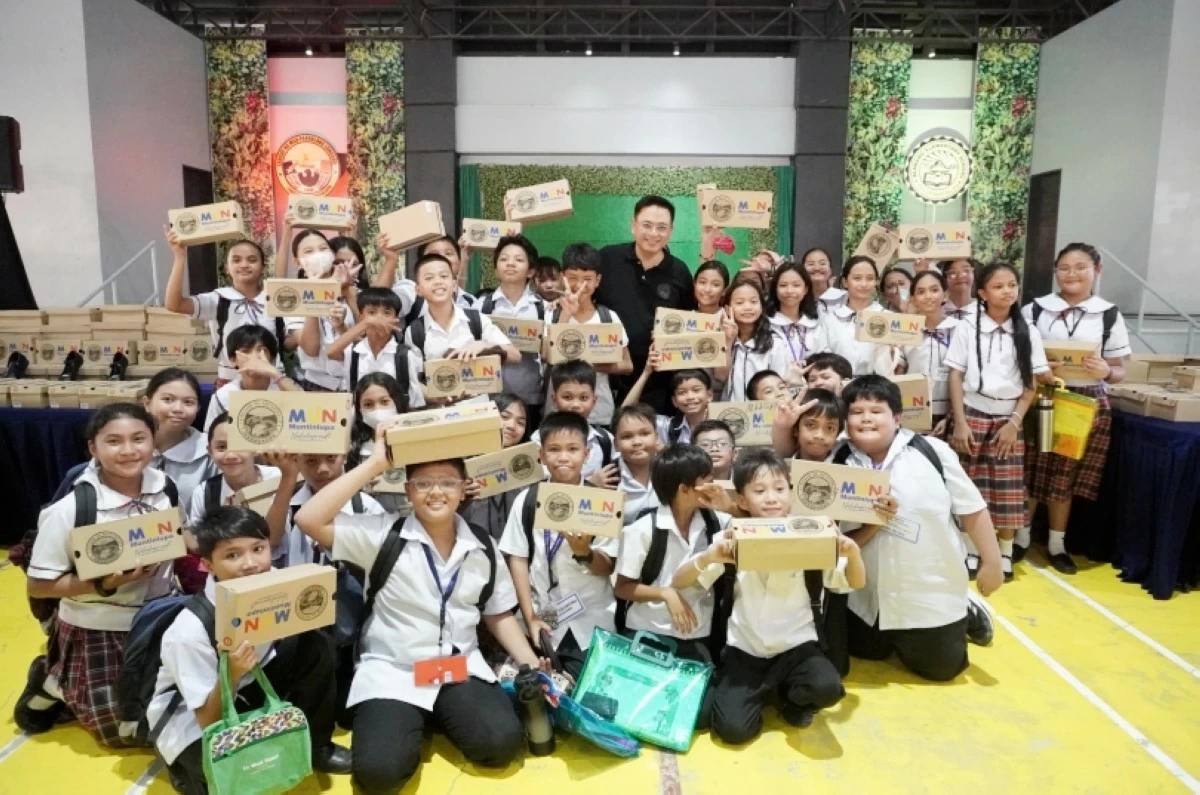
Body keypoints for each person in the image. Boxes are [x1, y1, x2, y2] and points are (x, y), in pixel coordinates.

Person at [294, 429, 547, 794]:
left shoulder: (484, 547)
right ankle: (406, 718)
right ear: (408, 491)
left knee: (501, 746)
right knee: (380, 774)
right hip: (394, 670)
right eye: (424, 483)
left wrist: (530, 663)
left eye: (447, 482)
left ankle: (433, 715)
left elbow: (498, 615)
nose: (436, 491)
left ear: (464, 489)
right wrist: (376, 463)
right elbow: (309, 519)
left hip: (457, 668)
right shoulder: (382, 535)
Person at [147, 507, 352, 793]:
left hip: (253, 681)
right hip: (195, 714)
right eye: (232, 555)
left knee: (316, 645)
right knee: (236, 777)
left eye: (258, 549)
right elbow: (208, 719)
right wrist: (230, 672)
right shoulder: (188, 631)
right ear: (207, 564)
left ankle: (317, 745)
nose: (250, 564)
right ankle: (184, 767)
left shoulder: (278, 584)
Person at [671, 449, 862, 743]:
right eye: (759, 491)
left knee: (828, 687)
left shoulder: (813, 535)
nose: (771, 498)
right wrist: (708, 557)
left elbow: (853, 582)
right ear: (743, 501)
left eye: (779, 489)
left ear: (791, 492)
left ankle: (792, 698)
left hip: (797, 647)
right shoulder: (729, 538)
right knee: (733, 731)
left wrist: (853, 553)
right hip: (746, 650)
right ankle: (765, 692)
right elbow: (680, 581)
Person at [17, 404, 178, 742]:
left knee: (162, 713)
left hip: (158, 616)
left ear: (153, 441)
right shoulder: (72, 508)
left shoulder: (166, 489)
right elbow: (39, 585)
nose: (129, 450)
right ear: (93, 448)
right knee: (118, 734)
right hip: (98, 622)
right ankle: (52, 679)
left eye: (139, 438)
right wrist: (105, 583)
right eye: (114, 441)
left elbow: (175, 538)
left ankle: (66, 675)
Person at [834, 376, 1001, 680]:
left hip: (927, 595)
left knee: (942, 670)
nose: (866, 418)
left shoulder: (932, 451)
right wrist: (874, 523)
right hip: (865, 599)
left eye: (876, 410)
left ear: (897, 418)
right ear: (845, 421)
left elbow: (972, 509)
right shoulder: (837, 460)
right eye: (857, 412)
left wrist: (992, 562)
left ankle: (968, 609)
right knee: (866, 652)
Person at [1020, 243, 1131, 572]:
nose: (1072, 274)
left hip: (1084, 403)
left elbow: (1120, 369)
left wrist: (1107, 372)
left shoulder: (1108, 313)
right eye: (1064, 268)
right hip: (1043, 397)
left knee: (1064, 476)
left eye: (1080, 267)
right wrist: (1039, 364)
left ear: (1097, 270)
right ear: (1056, 272)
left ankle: (1057, 544)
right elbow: (1018, 356)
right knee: (1031, 469)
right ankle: (1022, 539)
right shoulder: (1036, 310)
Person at [946, 263, 1051, 582]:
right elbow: (955, 374)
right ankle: (971, 549)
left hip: (1009, 418)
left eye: (1012, 285)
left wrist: (1015, 422)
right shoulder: (968, 327)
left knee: (1007, 489)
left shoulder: (1027, 331)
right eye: (998, 286)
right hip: (973, 412)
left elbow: (1031, 384)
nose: (1007, 291)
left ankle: (1005, 552)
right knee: (969, 486)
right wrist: (960, 422)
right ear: (982, 293)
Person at [500, 412, 619, 679]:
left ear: (586, 454)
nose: (563, 457)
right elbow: (518, 558)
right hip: (542, 617)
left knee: (587, 690)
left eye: (572, 449)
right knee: (534, 684)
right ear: (541, 454)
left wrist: (585, 553)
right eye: (554, 449)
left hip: (591, 618)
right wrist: (529, 616)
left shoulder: (602, 503)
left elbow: (608, 565)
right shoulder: (527, 500)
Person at [596, 196, 696, 413]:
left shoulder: (679, 271)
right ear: (633, 225)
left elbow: (690, 322)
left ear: (670, 231)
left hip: (660, 381)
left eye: (661, 227)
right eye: (647, 225)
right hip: (609, 376)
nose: (653, 234)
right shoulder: (607, 259)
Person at [164, 231, 286, 388]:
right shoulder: (218, 299)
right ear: (227, 268)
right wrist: (179, 257)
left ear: (263, 267)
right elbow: (174, 304)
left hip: (273, 380)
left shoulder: (275, 298)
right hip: (231, 382)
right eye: (236, 260)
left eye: (252, 260)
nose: (244, 265)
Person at [552, 243, 633, 427]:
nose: (580, 285)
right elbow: (546, 356)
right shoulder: (551, 314)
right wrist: (566, 314)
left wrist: (589, 364)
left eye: (587, 279)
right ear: (562, 277)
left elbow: (627, 364)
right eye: (572, 277)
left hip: (600, 412)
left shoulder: (608, 317)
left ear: (598, 280)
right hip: (557, 412)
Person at [401, 253, 521, 374]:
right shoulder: (414, 332)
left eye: (443, 276)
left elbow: (516, 355)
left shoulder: (476, 319)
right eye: (429, 278)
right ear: (418, 290)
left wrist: (484, 345)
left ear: (454, 285)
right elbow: (415, 379)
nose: (438, 282)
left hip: (479, 393)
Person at [477, 235, 546, 428]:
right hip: (490, 398)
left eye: (519, 260)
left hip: (530, 396)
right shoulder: (482, 306)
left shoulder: (543, 308)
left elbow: (550, 352)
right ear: (495, 267)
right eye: (504, 259)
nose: (510, 264)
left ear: (531, 270)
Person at [325, 287, 425, 405]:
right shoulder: (353, 352)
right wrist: (366, 323)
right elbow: (330, 352)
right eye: (372, 313)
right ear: (361, 317)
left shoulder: (406, 355)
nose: (378, 319)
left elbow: (415, 399)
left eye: (387, 313)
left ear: (396, 319)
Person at [186, 414, 282, 528]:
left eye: (239, 446)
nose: (231, 455)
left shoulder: (279, 478)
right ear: (210, 451)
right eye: (221, 447)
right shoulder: (204, 493)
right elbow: (200, 540)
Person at [203, 325, 301, 431]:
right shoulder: (222, 397)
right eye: (245, 351)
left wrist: (275, 372)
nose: (254, 357)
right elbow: (209, 437)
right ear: (233, 360)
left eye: (262, 350)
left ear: (272, 358)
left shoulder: (286, 387)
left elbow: (309, 415)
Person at [533, 361, 619, 482]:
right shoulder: (538, 438)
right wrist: (591, 484)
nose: (575, 405)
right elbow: (543, 480)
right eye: (567, 397)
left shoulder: (605, 439)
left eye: (584, 398)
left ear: (594, 401)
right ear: (554, 399)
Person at [461, 393, 531, 540]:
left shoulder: (530, 470)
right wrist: (462, 497)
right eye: (504, 417)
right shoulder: (460, 467)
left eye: (521, 423)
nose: (512, 426)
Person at [141, 368, 215, 506]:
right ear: (147, 403)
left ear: (198, 408)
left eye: (188, 402)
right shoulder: (126, 447)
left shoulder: (211, 450)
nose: (178, 409)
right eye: (168, 399)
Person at [898, 270, 960, 433]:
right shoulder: (907, 331)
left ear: (945, 295)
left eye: (934, 290)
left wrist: (952, 416)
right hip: (912, 410)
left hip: (952, 411)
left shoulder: (959, 329)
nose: (928, 296)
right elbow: (899, 371)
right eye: (920, 292)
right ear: (913, 299)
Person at [715, 279, 792, 402]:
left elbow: (781, 384)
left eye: (754, 302)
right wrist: (728, 342)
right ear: (727, 308)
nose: (748, 307)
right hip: (730, 413)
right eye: (740, 303)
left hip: (765, 414)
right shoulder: (720, 338)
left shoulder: (775, 343)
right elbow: (720, 376)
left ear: (762, 305)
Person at [820, 255, 893, 377]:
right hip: (840, 386)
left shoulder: (888, 317)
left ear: (876, 282)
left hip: (878, 386)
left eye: (870, 278)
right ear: (845, 282)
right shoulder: (829, 320)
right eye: (857, 278)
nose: (864, 284)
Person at [626, 366, 713, 446]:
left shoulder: (724, 421)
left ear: (709, 395)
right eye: (681, 392)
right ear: (674, 401)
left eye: (696, 390)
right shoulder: (666, 426)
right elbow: (626, 413)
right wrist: (646, 373)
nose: (690, 397)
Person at [769, 262, 827, 377]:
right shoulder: (766, 324)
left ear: (805, 289)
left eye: (796, 285)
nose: (789, 291)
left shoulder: (815, 326)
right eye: (783, 285)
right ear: (775, 289)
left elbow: (824, 360)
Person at [612, 404, 663, 521]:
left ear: (656, 437)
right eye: (627, 436)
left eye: (644, 434)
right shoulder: (608, 481)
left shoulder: (673, 470)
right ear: (616, 444)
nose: (637, 442)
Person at [771, 388, 842, 462]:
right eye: (811, 425)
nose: (819, 436)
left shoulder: (847, 463)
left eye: (830, 428)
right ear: (796, 429)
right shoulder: (781, 469)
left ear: (838, 433)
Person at [801, 247, 844, 311]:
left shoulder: (843, 298)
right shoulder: (796, 299)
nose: (817, 268)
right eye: (811, 264)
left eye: (822, 263)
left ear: (830, 270)